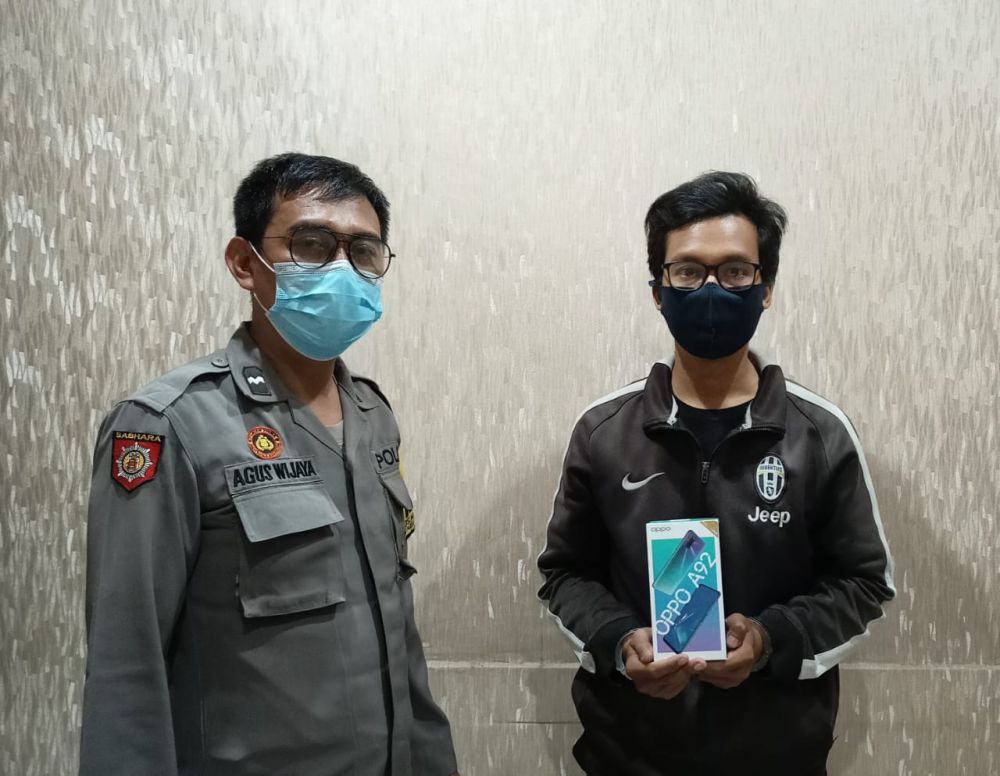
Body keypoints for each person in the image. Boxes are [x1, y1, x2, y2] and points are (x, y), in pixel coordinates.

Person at [80, 153, 458, 776]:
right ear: (244, 263)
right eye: (311, 245)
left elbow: (398, 635)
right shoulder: (169, 424)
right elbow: (126, 665)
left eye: (363, 251)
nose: (342, 268)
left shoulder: (373, 416)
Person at [537, 171, 894, 775]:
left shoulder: (820, 434)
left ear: (766, 288)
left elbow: (865, 584)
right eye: (686, 271)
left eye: (734, 271)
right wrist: (619, 644)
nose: (710, 289)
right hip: (626, 754)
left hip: (778, 758)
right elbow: (565, 575)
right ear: (658, 291)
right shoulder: (603, 432)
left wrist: (770, 641)